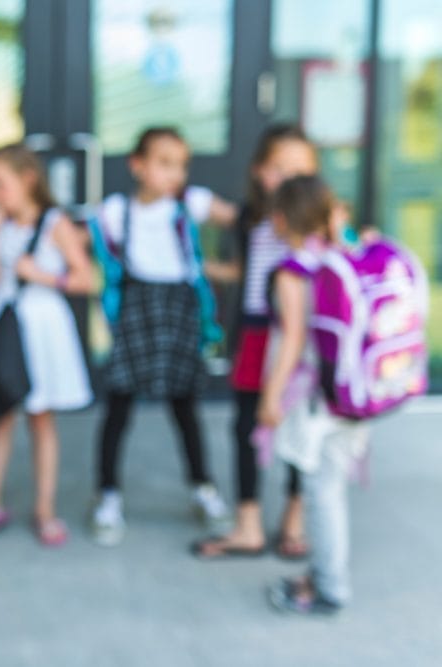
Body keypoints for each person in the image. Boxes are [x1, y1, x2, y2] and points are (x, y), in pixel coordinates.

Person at [88, 127, 236, 546]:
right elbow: (80, 239)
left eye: (181, 164)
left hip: (180, 310)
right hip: (137, 309)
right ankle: (108, 495)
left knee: (184, 406)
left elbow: (244, 219)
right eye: (164, 162)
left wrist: (230, 267)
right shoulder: (116, 212)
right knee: (118, 406)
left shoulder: (192, 203)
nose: (175, 173)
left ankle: (203, 488)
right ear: (138, 165)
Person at [193, 125, 319, 559]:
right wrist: (203, 266)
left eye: (299, 170)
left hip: (297, 341)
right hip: (255, 332)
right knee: (245, 425)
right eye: (278, 169)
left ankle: (294, 518)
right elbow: (245, 272)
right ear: (259, 172)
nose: (288, 180)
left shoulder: (317, 222)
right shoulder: (251, 219)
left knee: (297, 430)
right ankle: (248, 523)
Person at [0, 143, 94, 547]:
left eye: (0, 184)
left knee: (41, 419)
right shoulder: (2, 225)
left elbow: (87, 278)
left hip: (42, 326)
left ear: (27, 180)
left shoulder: (55, 223)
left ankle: (45, 509)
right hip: (7, 324)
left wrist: (41, 275)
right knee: (1, 416)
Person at [259, 175, 370, 615]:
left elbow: (292, 339)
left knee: (321, 492)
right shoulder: (342, 254)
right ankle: (325, 572)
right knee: (331, 486)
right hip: (352, 390)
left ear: (282, 218)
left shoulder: (294, 269)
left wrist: (270, 397)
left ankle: (329, 588)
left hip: (314, 398)